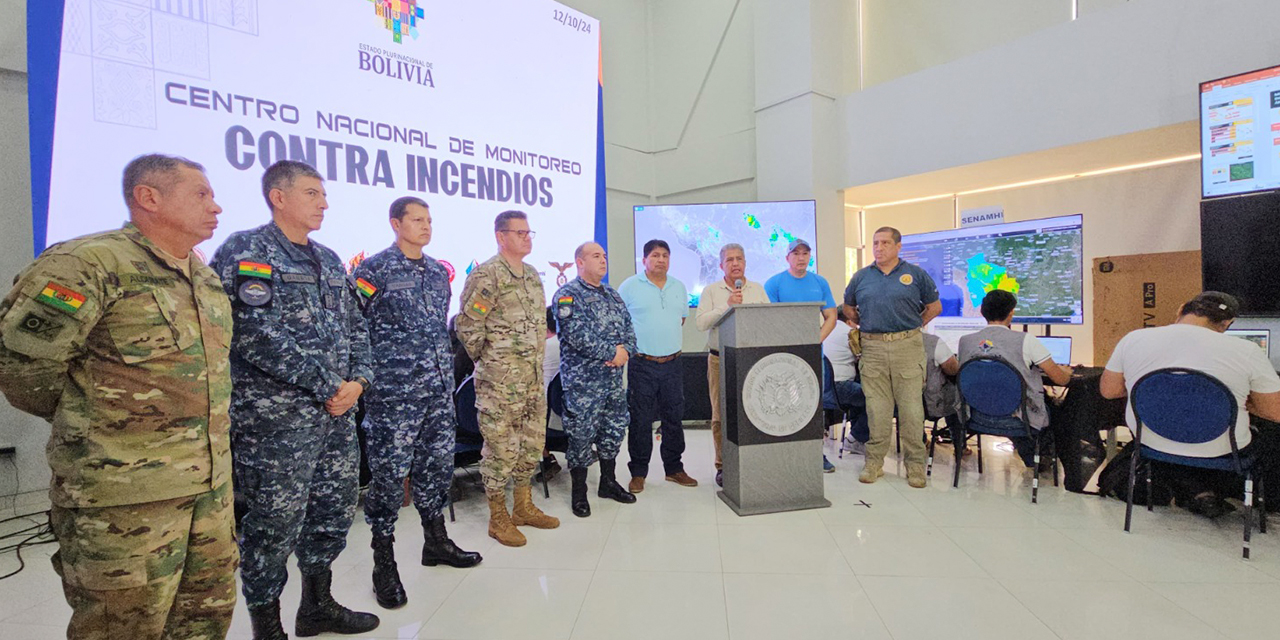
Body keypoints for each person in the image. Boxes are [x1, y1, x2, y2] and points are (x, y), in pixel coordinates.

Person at [0, 154, 236, 640]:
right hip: (121, 500)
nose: (216, 206)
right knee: (120, 629)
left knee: (203, 623)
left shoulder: (205, 278)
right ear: (148, 197)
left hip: (208, 494)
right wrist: (96, 421)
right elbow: (22, 367)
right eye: (201, 194)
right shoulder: (87, 264)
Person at [211, 160, 379, 639]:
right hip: (276, 422)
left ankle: (317, 606)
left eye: (323, 194)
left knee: (333, 510)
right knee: (273, 523)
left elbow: (356, 327)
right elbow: (252, 333)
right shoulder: (247, 251)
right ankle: (268, 626)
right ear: (278, 197)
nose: (323, 202)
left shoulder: (328, 259)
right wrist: (330, 385)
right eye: (311, 193)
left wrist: (359, 381)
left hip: (337, 417)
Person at [352, 196, 482, 610]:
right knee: (390, 478)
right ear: (395, 223)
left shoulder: (437, 273)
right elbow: (353, 325)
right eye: (417, 220)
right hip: (393, 395)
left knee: (435, 470)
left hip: (436, 394)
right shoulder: (373, 270)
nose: (426, 226)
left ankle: (436, 541)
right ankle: (383, 561)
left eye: (429, 220)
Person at [1101, 292, 1280, 515]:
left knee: (1180, 427)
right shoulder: (1247, 351)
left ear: (1181, 309)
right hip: (1222, 448)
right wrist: (1242, 403)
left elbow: (1109, 391)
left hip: (1150, 441)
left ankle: (1194, 490)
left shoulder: (1133, 339)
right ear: (1227, 324)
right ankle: (1256, 500)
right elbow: (1274, 411)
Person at [455, 210, 560, 547]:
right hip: (499, 383)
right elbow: (468, 327)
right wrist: (492, 361)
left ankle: (524, 507)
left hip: (531, 379)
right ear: (501, 236)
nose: (527, 238)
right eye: (519, 232)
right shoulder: (487, 276)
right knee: (500, 450)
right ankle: (498, 517)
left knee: (530, 446)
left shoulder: (531, 275)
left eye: (529, 232)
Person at [843, 227, 941, 488]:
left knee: (911, 410)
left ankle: (915, 466)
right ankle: (874, 463)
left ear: (898, 246)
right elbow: (848, 308)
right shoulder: (861, 277)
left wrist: (912, 326)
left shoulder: (915, 274)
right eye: (875, 243)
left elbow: (934, 307)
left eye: (885, 243)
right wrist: (865, 324)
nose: (879, 248)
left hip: (907, 347)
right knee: (876, 410)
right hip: (872, 349)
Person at [554, 242, 639, 517]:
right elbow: (574, 334)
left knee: (613, 431)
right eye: (595, 256)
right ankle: (579, 492)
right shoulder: (567, 295)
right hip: (583, 385)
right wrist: (611, 352)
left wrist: (625, 351)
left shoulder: (613, 295)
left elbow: (629, 329)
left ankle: (608, 482)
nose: (603, 260)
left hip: (613, 382)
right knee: (580, 437)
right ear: (579, 262)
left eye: (604, 255)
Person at [957, 290, 1072, 467]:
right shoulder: (1026, 340)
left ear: (982, 312)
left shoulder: (965, 341)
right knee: (1055, 407)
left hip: (975, 417)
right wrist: (1067, 372)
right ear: (1011, 312)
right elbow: (1060, 379)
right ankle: (1041, 460)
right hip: (1019, 420)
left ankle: (1030, 455)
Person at [618, 239, 696, 492]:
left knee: (673, 418)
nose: (660, 259)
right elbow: (620, 323)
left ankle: (674, 469)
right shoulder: (629, 287)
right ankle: (638, 472)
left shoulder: (679, 287)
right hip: (643, 364)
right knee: (640, 420)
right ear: (644, 260)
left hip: (673, 363)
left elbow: (681, 319)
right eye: (655, 255)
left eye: (665, 255)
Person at [697, 243, 770, 487]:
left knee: (753, 411)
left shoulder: (758, 289)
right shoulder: (711, 291)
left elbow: (768, 319)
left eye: (739, 258)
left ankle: (752, 461)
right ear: (721, 266)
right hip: (720, 358)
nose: (735, 263)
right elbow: (701, 323)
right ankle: (722, 464)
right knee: (720, 414)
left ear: (746, 263)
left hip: (752, 358)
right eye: (729, 260)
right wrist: (726, 305)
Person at [765, 238, 840, 472]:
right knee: (781, 405)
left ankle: (815, 454)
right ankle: (784, 453)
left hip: (812, 355)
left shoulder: (819, 282)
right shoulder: (774, 283)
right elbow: (768, 320)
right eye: (795, 253)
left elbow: (831, 317)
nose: (800, 258)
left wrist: (814, 340)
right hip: (782, 355)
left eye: (805, 253)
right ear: (787, 257)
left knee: (812, 405)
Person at [824, 306, 868, 454]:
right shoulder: (850, 333)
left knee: (860, 395)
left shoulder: (825, 329)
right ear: (849, 320)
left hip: (823, 388)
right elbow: (866, 359)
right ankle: (856, 438)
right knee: (878, 398)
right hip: (840, 387)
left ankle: (856, 438)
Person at [922, 332, 963, 452]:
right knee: (955, 395)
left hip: (900, 406)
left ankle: (921, 440)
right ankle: (960, 446)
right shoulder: (933, 342)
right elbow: (953, 370)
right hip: (932, 405)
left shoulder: (889, 340)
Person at [537, 305, 563, 482]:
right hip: (565, 407)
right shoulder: (569, 344)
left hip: (544, 408)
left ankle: (547, 458)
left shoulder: (543, 348)